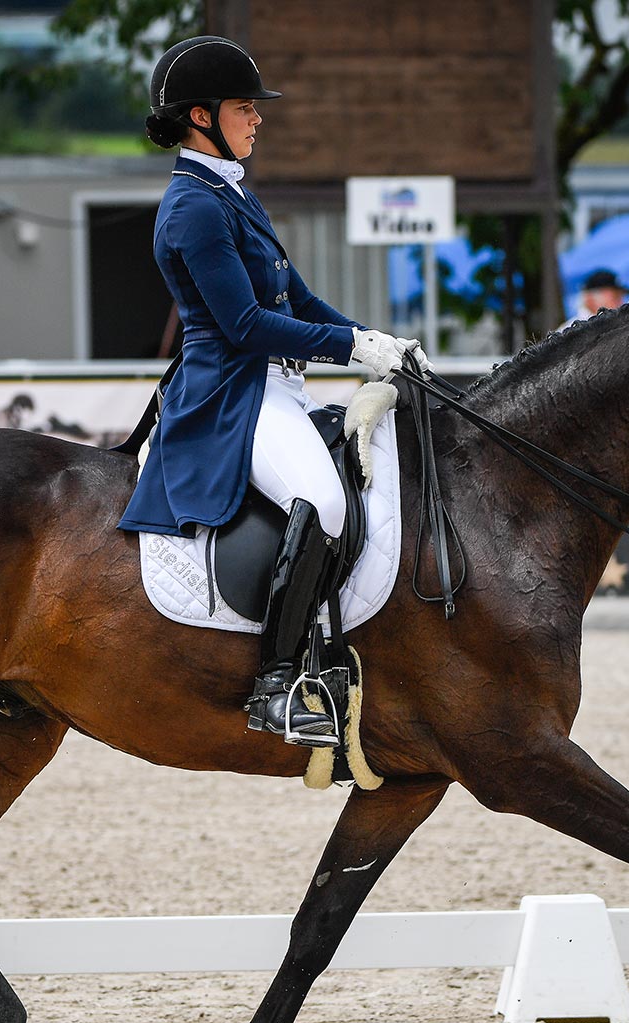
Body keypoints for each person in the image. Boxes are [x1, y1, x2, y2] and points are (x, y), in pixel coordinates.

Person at [118, 35, 427, 748]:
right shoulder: (194, 207)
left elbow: (302, 300)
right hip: (231, 392)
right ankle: (279, 683)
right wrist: (350, 349)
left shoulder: (230, 193)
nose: (257, 120)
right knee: (319, 502)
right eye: (244, 108)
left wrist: (375, 340)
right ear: (201, 116)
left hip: (274, 388)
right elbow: (247, 324)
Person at [559, 268, 629, 330]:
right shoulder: (569, 332)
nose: (621, 303)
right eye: (615, 297)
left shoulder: (624, 326)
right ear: (590, 298)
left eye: (621, 297)